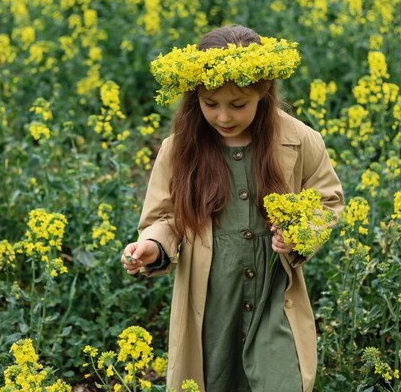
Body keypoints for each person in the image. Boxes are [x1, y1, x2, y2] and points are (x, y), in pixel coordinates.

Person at [120, 25, 344, 392]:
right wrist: (153, 246)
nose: (223, 117)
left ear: (263, 92)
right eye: (211, 104)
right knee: (213, 380)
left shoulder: (299, 140)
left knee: (282, 381)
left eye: (237, 105)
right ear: (196, 98)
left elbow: (327, 201)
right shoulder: (179, 149)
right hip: (212, 301)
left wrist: (300, 234)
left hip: (274, 294)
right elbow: (166, 217)